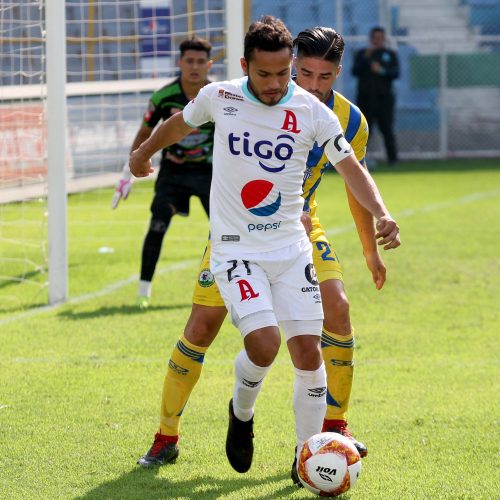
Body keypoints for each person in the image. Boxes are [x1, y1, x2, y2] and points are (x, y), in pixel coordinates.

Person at [130, 16, 400, 479]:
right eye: (301, 74)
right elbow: (179, 123)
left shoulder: (332, 116)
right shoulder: (223, 97)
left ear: (335, 73)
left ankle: (315, 446)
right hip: (234, 242)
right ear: (246, 67)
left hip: (295, 238)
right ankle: (170, 434)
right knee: (208, 329)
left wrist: (380, 218)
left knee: (322, 331)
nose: (291, 84)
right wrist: (142, 151)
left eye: (317, 75)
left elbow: (353, 172)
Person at [111, 36, 214, 309]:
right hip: (173, 173)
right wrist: (127, 173)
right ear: (179, 63)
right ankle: (143, 292)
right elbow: (144, 133)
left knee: (224, 230)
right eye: (189, 61)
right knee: (157, 225)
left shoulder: (218, 96)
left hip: (210, 173)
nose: (194, 67)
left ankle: (229, 289)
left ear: (209, 64)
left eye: (200, 61)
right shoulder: (163, 97)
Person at [352, 26, 399, 165]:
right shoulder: (362, 54)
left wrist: (381, 70)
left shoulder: (390, 54)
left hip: (384, 99)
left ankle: (393, 160)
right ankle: (359, 160)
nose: (377, 40)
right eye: (375, 38)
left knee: (387, 129)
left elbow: (395, 73)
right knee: (364, 130)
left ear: (383, 39)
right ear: (371, 39)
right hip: (365, 99)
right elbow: (355, 71)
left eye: (380, 38)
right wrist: (365, 58)